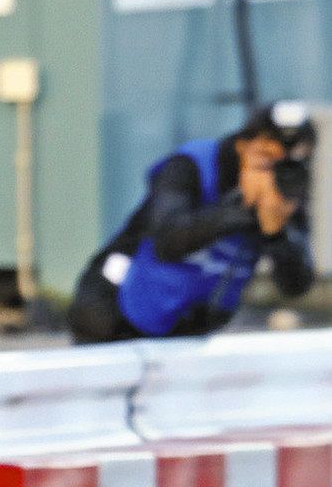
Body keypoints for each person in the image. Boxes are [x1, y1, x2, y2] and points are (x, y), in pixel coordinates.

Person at [68, 102, 316, 344]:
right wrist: (241, 209)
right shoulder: (192, 166)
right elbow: (167, 241)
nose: (272, 172)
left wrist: (276, 233)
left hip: (186, 331)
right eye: (266, 158)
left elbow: (296, 285)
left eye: (284, 162)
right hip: (114, 310)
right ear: (242, 145)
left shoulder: (283, 194)